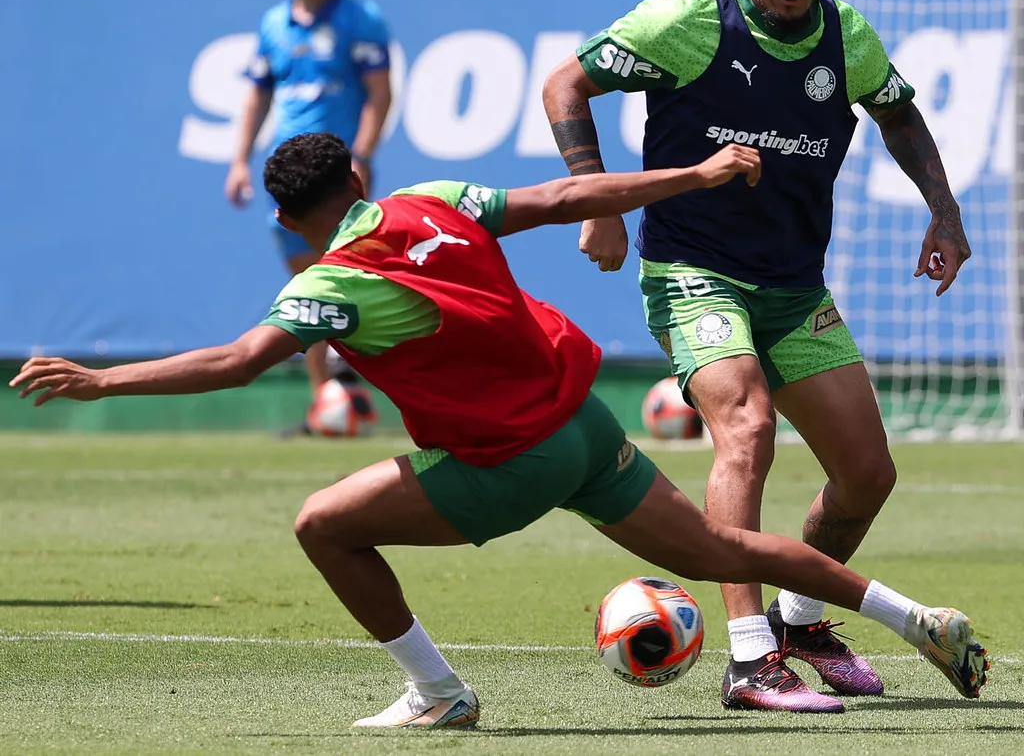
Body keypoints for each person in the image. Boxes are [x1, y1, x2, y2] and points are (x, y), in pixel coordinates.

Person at [12, 132, 987, 729]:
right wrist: (691, 175)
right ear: (359, 174)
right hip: (582, 423)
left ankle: (437, 691)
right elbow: (566, 197)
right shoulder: (432, 201)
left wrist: (102, 380)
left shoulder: (326, 285)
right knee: (723, 547)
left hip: (507, 464)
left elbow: (234, 362)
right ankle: (914, 619)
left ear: (282, 216)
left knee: (322, 522)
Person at [541, 0, 973, 712]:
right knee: (746, 424)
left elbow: (898, 114)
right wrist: (595, 202)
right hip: (692, 272)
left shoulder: (845, 36)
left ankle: (800, 620)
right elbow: (567, 83)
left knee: (866, 475)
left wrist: (946, 215)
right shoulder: (687, 19)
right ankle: (749, 660)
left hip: (791, 285)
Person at [224, 0, 392, 435]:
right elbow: (259, 93)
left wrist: (361, 155)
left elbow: (379, 94)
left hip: (338, 171)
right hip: (288, 175)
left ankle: (391, 394)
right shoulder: (274, 24)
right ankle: (324, 403)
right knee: (306, 288)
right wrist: (238, 159)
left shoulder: (360, 18)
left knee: (359, 279)